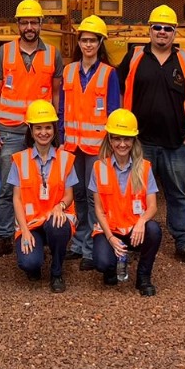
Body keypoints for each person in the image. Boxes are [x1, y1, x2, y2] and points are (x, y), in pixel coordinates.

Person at [117, 4, 185, 267]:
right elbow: (118, 89)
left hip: (175, 142)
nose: (162, 32)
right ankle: (131, 237)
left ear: (175, 33)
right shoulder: (134, 57)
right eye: (157, 27)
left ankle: (183, 241)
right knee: (135, 193)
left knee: (177, 193)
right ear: (149, 30)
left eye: (168, 28)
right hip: (140, 142)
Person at [0, 0, 64, 257]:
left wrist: (55, 131)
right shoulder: (4, 52)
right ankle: (5, 235)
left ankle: (39, 230)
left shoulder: (53, 54)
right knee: (7, 187)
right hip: (8, 130)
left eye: (34, 22)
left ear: (41, 24)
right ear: (17, 25)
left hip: (39, 133)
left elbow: (56, 95)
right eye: (24, 22)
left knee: (42, 183)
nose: (29, 26)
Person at [61, 15, 121, 270]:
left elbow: (114, 110)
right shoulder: (69, 70)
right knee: (77, 196)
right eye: (84, 40)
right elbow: (63, 109)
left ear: (100, 43)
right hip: (73, 146)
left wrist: (111, 146)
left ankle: (90, 248)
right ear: (79, 42)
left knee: (94, 195)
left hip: (97, 147)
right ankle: (78, 242)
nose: (88, 45)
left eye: (93, 41)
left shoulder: (109, 74)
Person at [90, 108, 161, 296]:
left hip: (133, 229)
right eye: (117, 138)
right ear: (110, 140)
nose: (122, 144)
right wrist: (111, 238)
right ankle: (111, 268)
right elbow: (98, 210)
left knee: (153, 230)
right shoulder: (99, 167)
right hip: (110, 230)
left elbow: (153, 206)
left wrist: (141, 221)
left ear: (133, 140)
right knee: (102, 262)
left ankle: (143, 277)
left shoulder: (144, 167)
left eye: (127, 139)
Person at [10, 100, 77, 293]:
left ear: (54, 130)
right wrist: (24, 230)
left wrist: (60, 207)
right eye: (38, 128)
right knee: (29, 263)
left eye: (48, 127)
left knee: (58, 225)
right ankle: (35, 262)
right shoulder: (19, 159)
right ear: (31, 130)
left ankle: (57, 272)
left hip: (54, 220)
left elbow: (69, 194)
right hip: (30, 223)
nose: (43, 132)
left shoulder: (65, 158)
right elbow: (17, 199)